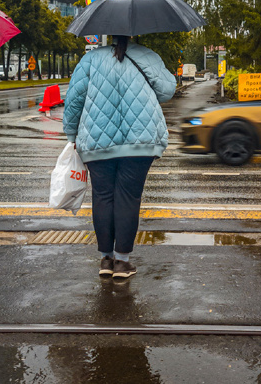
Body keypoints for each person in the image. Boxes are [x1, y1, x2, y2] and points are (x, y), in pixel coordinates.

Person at [63, 35, 176, 279]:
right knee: (129, 197)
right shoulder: (147, 55)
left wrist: (72, 134)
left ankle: (106, 260)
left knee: (102, 197)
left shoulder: (90, 59)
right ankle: (123, 263)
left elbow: (73, 101)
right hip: (140, 142)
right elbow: (167, 91)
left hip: (96, 142)